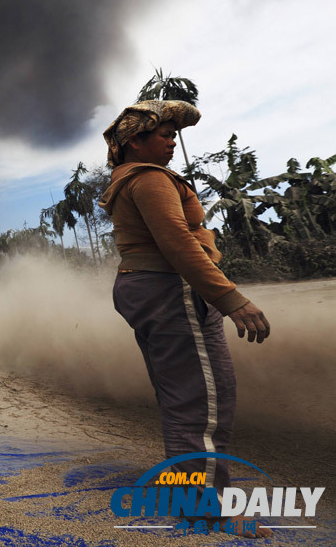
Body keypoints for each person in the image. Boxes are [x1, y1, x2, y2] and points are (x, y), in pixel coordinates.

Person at [98, 100, 272, 539]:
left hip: (146, 287)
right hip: (170, 290)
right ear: (135, 141)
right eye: (164, 134)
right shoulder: (151, 179)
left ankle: (188, 492)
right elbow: (178, 243)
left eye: (175, 135)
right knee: (203, 403)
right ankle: (207, 510)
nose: (172, 141)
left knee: (183, 399)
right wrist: (232, 299)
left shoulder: (127, 179)